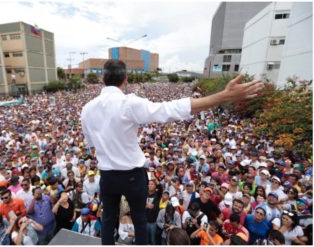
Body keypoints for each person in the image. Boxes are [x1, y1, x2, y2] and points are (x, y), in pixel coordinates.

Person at [81, 59, 263, 244]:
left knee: (108, 218)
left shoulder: (87, 110)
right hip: (132, 177)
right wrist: (223, 96)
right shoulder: (129, 103)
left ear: (102, 79)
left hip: (107, 175)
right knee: (139, 219)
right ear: (126, 79)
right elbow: (169, 109)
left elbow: (91, 143)